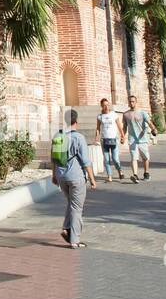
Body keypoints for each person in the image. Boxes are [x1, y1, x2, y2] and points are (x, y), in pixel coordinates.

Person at [52, 110, 95, 248]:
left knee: (72, 203)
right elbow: (86, 161)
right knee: (77, 208)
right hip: (75, 177)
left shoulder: (58, 136)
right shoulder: (78, 138)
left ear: (65, 121)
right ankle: (74, 240)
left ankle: (66, 228)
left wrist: (54, 175)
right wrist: (93, 179)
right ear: (76, 121)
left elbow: (53, 158)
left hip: (61, 176)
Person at [122, 94, 153, 183]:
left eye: (133, 101)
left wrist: (154, 129)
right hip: (132, 140)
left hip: (142, 139)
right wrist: (123, 136)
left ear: (136, 102)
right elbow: (124, 127)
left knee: (145, 157)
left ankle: (146, 172)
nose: (131, 103)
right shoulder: (126, 114)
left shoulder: (142, 113)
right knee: (134, 158)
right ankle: (135, 175)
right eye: (130, 102)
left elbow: (149, 122)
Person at [94, 98, 122, 183]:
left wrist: (123, 136)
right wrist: (97, 137)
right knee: (106, 159)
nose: (106, 107)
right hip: (104, 140)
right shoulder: (100, 116)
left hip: (114, 139)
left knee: (115, 159)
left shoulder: (114, 114)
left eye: (107, 105)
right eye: (104, 105)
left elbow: (119, 125)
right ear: (101, 106)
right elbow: (98, 128)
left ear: (109, 105)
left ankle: (120, 170)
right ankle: (109, 176)